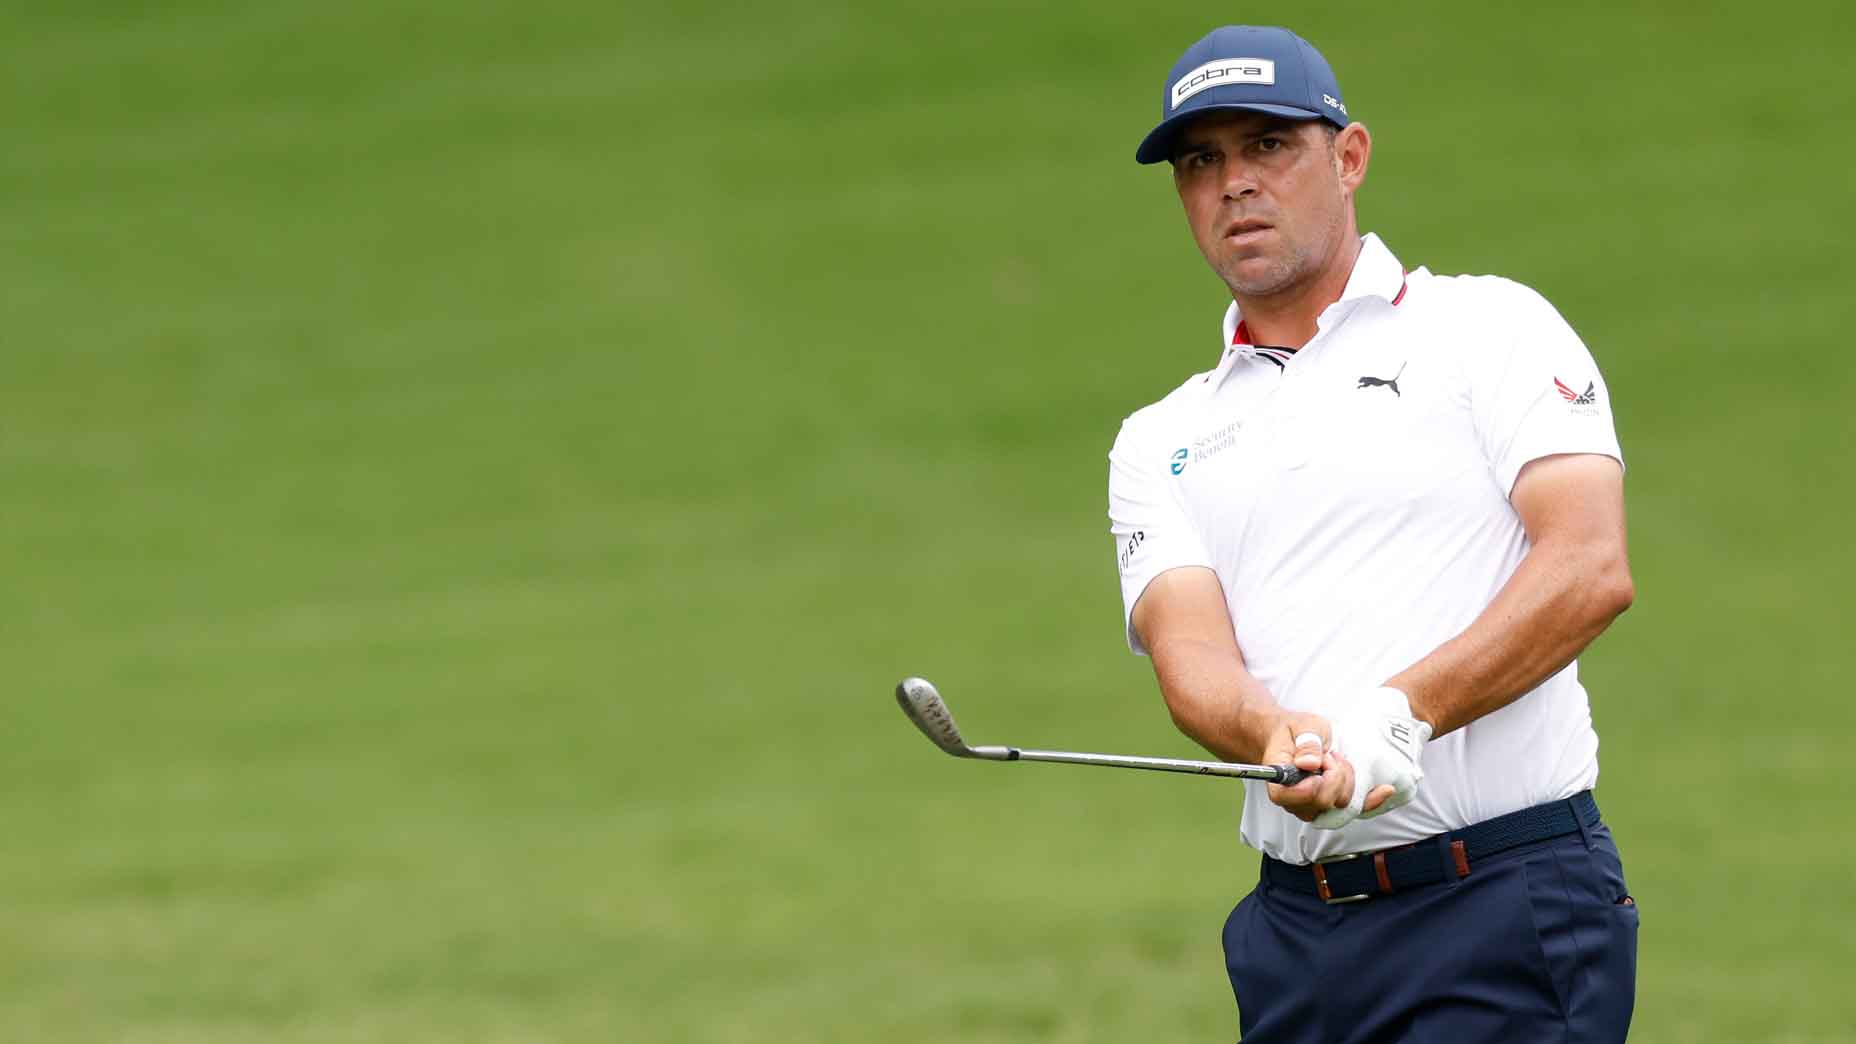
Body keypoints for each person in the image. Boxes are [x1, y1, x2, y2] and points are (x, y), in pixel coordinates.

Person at [1108, 25, 1639, 1043]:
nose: (1232, 184)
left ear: (1346, 157)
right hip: (1293, 939)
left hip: (1500, 898)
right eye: (1199, 161)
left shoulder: (1487, 331)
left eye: (1267, 146)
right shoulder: (1159, 440)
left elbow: (1587, 565)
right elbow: (1190, 657)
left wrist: (1401, 714)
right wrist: (1270, 734)